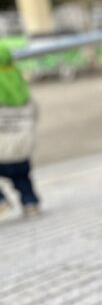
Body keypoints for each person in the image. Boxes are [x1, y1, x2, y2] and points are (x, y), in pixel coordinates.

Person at [0, 46, 41, 219]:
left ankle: (1, 201)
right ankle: (30, 203)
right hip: (22, 146)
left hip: (2, 149)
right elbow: (35, 112)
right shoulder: (17, 81)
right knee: (23, 177)